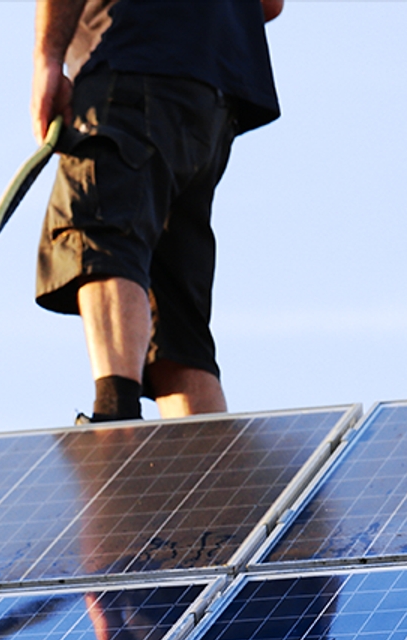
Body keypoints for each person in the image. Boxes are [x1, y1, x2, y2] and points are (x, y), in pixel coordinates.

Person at [31, 0, 284, 423]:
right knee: (175, 316)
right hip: (216, 94)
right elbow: (270, 5)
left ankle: (115, 420)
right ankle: (207, 476)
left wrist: (48, 59)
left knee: (102, 232)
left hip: (131, 59)